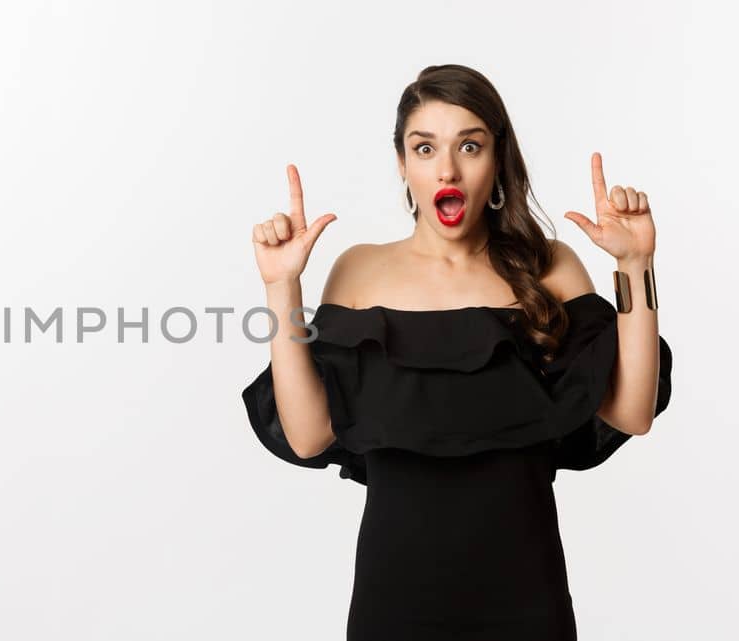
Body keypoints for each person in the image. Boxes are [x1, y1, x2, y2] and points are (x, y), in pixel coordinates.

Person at [241, 64, 673, 640]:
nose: (447, 168)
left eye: (470, 145)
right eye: (425, 148)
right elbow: (307, 435)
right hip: (394, 602)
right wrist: (280, 288)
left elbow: (631, 412)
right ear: (403, 164)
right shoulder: (359, 270)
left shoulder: (550, 266)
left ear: (497, 159)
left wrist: (635, 265)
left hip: (526, 599)